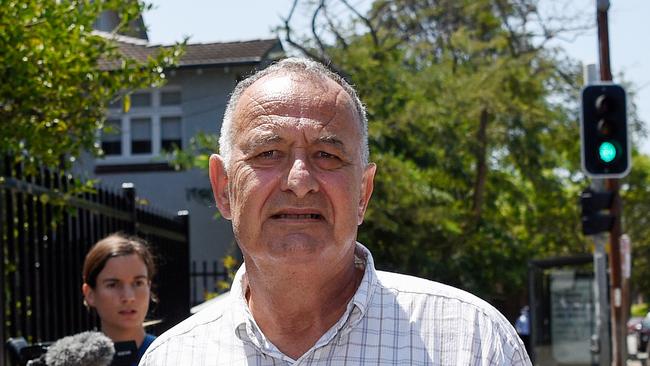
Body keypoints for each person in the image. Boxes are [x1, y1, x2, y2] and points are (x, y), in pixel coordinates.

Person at [141, 57, 532, 365]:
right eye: (268, 153)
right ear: (224, 187)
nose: (299, 180)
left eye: (326, 155)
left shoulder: (471, 344)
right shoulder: (174, 357)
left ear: (363, 191)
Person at [82, 233, 157, 366]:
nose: (128, 297)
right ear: (90, 294)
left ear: (149, 286)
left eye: (138, 283)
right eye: (113, 284)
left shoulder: (172, 355)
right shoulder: (78, 361)